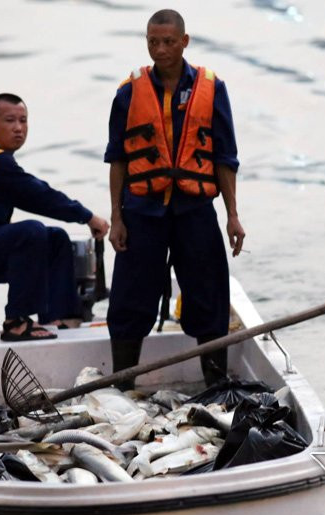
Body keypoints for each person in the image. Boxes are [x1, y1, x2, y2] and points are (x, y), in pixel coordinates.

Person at [104, 9, 245, 388]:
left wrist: (232, 215)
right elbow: (117, 159)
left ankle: (216, 385)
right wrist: (116, 218)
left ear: (185, 41)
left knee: (209, 294)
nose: (160, 49)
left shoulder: (212, 89)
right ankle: (122, 387)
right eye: (153, 42)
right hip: (141, 212)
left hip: (194, 210)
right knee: (130, 298)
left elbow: (225, 158)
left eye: (168, 42)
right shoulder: (128, 91)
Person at [0, 93, 109, 341]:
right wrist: (88, 217)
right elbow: (40, 196)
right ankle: (16, 322)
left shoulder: (0, 160)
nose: (18, 128)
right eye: (10, 120)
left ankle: (60, 319)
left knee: (55, 238)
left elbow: (36, 194)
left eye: (23, 120)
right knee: (31, 232)